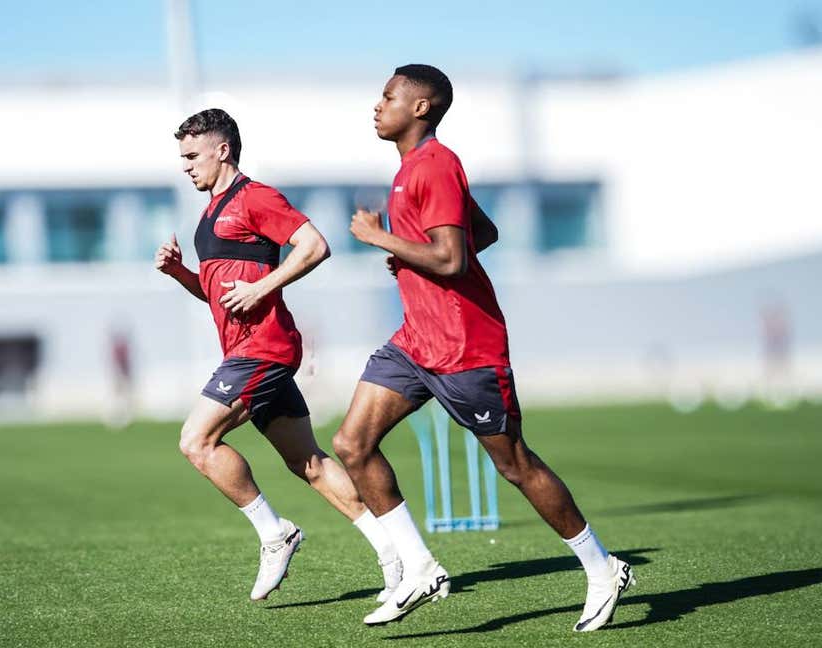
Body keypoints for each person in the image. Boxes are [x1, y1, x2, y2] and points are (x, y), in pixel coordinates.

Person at [332, 65, 635, 630]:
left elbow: (453, 258)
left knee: (514, 464)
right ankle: (419, 567)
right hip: (416, 342)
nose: (378, 105)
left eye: (389, 96)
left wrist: (383, 239)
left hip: (465, 347)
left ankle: (602, 566)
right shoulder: (408, 171)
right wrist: (410, 251)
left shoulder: (437, 165)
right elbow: (482, 234)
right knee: (352, 443)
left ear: (421, 108)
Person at [155, 108, 401, 602]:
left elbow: (314, 245)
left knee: (196, 441)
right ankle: (399, 556)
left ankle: (275, 533)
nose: (184, 165)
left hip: (261, 350)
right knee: (308, 462)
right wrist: (184, 275)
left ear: (222, 150)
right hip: (253, 350)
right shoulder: (209, 215)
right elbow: (223, 293)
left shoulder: (255, 197)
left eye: (191, 155)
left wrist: (262, 286)